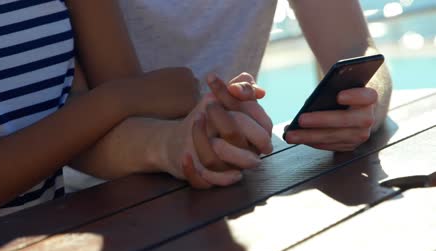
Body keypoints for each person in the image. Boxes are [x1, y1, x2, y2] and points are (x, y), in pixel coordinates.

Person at [0, 0, 265, 224]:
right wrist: (118, 99)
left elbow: (86, 128)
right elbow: (107, 107)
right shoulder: (117, 98)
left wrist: (185, 141)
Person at [65, 0, 393, 190]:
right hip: (94, 195)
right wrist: (179, 139)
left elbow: (356, 49)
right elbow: (89, 106)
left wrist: (364, 102)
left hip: (234, 178)